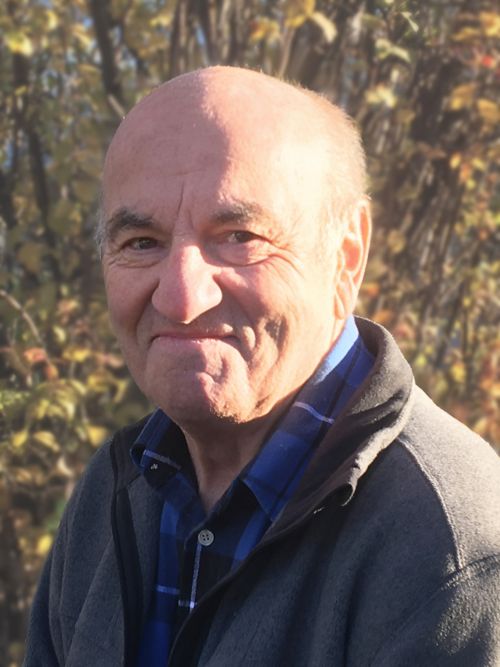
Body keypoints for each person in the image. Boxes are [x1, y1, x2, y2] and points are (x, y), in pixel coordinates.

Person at [25, 66, 500, 667]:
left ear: (347, 255)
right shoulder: (114, 490)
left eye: (239, 236)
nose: (182, 297)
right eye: (142, 242)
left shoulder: (450, 552)